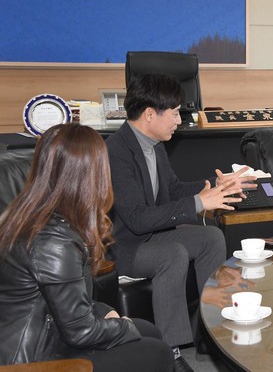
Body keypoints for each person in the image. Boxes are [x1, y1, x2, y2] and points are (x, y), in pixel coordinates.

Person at [106, 73, 256, 371]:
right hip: (124, 247)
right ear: (150, 114)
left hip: (152, 236)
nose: (179, 120)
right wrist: (200, 202)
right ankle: (171, 352)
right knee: (172, 253)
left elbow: (172, 190)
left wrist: (215, 186)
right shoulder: (116, 151)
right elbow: (136, 219)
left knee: (210, 237)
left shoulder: (154, 144)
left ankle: (211, 332)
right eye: (174, 113)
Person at [0, 124, 173, 372]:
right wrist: (122, 326)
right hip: (32, 360)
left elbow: (62, 299)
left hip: (48, 332)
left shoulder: (28, 214)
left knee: (147, 331)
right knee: (158, 353)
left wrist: (106, 312)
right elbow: (80, 333)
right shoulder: (53, 241)